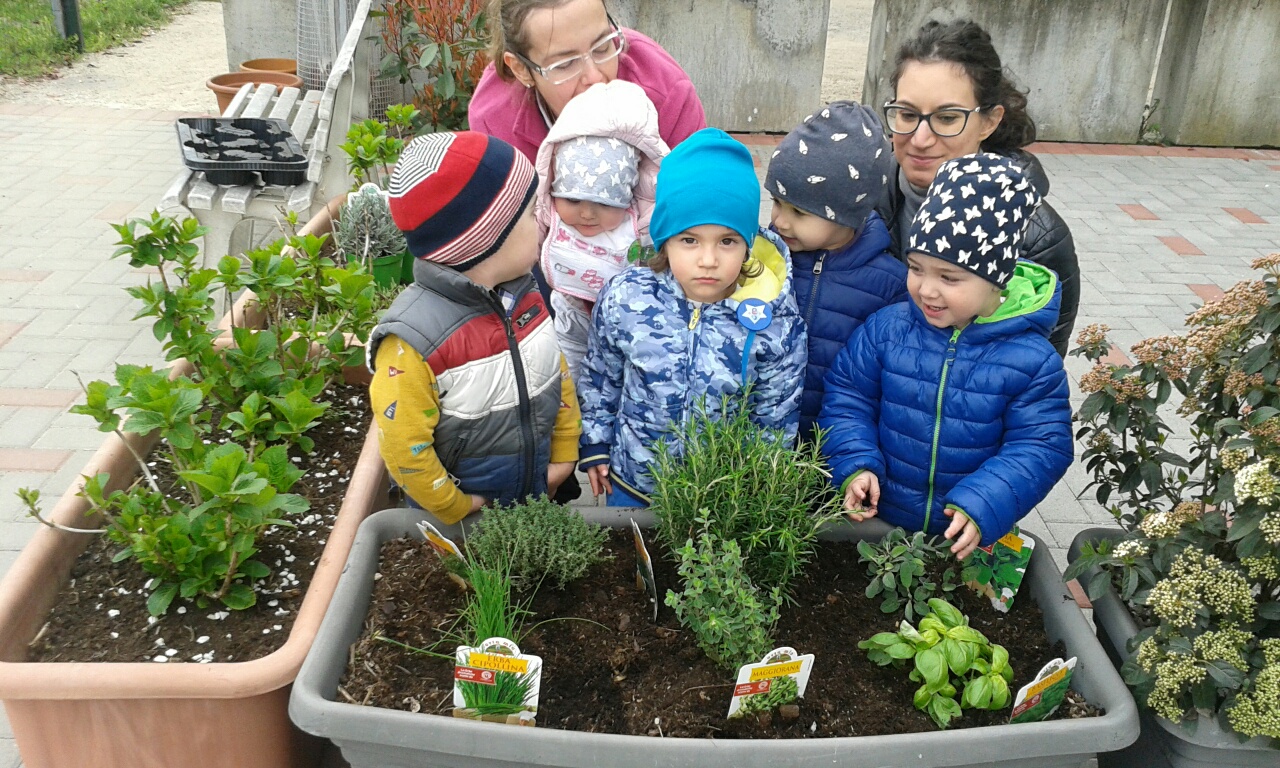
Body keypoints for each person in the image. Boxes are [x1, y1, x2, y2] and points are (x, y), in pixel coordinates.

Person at [820, 153, 1073, 560]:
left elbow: (1042, 446)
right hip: (880, 527)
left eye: (950, 278)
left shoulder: (1032, 360)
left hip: (967, 538)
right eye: (917, 268)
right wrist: (856, 463)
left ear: (997, 280)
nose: (926, 290)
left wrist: (983, 504)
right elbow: (848, 397)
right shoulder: (886, 329)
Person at [578, 128, 806, 506]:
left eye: (727, 241)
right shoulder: (627, 297)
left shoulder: (774, 320)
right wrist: (596, 442)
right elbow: (602, 374)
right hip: (634, 484)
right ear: (664, 238)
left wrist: (758, 482)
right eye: (689, 240)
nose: (708, 260)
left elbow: (775, 415)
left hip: (721, 497)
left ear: (748, 243)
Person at [367, 131, 581, 525]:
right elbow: (403, 445)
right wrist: (454, 507)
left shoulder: (525, 297)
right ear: (486, 239)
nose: (545, 220)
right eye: (533, 212)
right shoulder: (413, 343)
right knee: (477, 586)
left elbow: (556, 372)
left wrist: (565, 453)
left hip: (539, 494)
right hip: (468, 521)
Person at [874, 18, 1079, 358]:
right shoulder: (860, 196)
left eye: (947, 118)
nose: (920, 139)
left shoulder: (1038, 239)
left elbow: (1036, 374)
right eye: (907, 115)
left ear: (989, 121)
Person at [764, 102, 907, 443]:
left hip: (837, 448)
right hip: (763, 447)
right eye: (776, 201)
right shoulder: (765, 261)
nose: (779, 220)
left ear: (847, 213)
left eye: (798, 211)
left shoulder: (890, 285)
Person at [533, 79, 669, 384]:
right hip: (571, 317)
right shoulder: (549, 218)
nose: (586, 213)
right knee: (566, 372)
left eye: (603, 204)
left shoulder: (639, 227)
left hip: (628, 323)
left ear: (626, 201)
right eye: (572, 199)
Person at [469, 0, 706, 164]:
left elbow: (700, 207)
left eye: (602, 47)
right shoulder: (494, 120)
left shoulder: (667, 92)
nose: (594, 77)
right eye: (564, 64)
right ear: (522, 70)